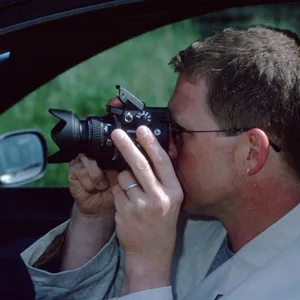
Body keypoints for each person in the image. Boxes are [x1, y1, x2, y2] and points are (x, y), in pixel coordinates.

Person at [21, 25, 300, 300]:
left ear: (250, 153)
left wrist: (147, 267)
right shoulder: (195, 228)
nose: (165, 146)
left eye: (178, 131)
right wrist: (96, 218)